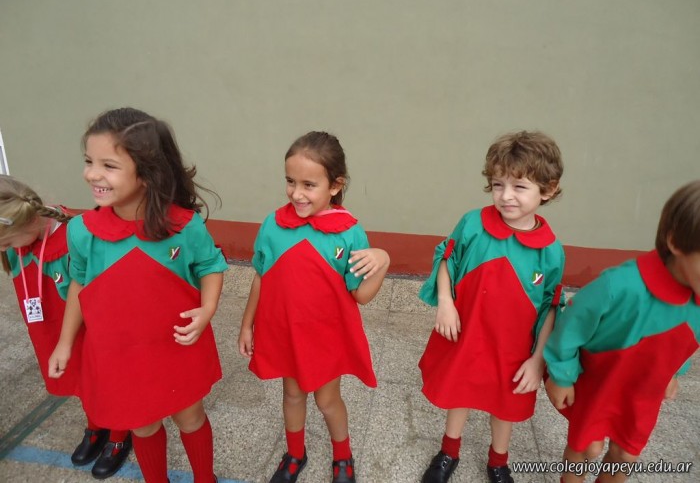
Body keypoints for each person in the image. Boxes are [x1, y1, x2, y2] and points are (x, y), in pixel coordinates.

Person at [48, 108, 228, 483]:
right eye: (89, 161)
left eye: (108, 165)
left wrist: (208, 308)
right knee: (142, 425)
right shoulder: (82, 231)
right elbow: (79, 284)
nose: (91, 174)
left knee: (190, 417)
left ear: (147, 173)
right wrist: (64, 343)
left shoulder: (184, 226)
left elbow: (210, 265)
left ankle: (205, 478)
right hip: (120, 353)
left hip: (175, 346)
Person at [238, 131, 390, 483]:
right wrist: (247, 324)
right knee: (292, 394)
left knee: (327, 400)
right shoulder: (273, 225)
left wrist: (383, 259)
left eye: (309, 185)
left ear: (335, 185)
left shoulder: (349, 232)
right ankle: (295, 453)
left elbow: (361, 295)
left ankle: (343, 456)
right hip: (285, 332)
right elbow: (261, 276)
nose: (296, 193)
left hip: (325, 337)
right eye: (290, 181)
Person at [418, 131, 566, 483]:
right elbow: (447, 258)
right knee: (460, 390)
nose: (505, 195)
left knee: (505, 404)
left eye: (519, 186)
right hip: (467, 333)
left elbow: (550, 307)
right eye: (498, 185)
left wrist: (537, 359)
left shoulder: (551, 251)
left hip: (512, 348)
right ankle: (448, 451)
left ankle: (498, 460)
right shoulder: (473, 223)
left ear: (547, 190)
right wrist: (445, 302)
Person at [544, 180, 700, 483]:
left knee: (626, 455)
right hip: (600, 384)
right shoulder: (619, 285)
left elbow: (684, 344)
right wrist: (561, 374)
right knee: (586, 448)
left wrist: (673, 372)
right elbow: (572, 324)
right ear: (676, 242)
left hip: (644, 393)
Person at [0, 175, 131, 479]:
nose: (4, 248)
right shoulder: (18, 243)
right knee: (79, 378)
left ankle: (120, 433)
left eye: (5, 242)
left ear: (28, 223)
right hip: (51, 328)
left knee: (106, 379)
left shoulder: (73, 239)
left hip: (89, 329)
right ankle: (97, 424)